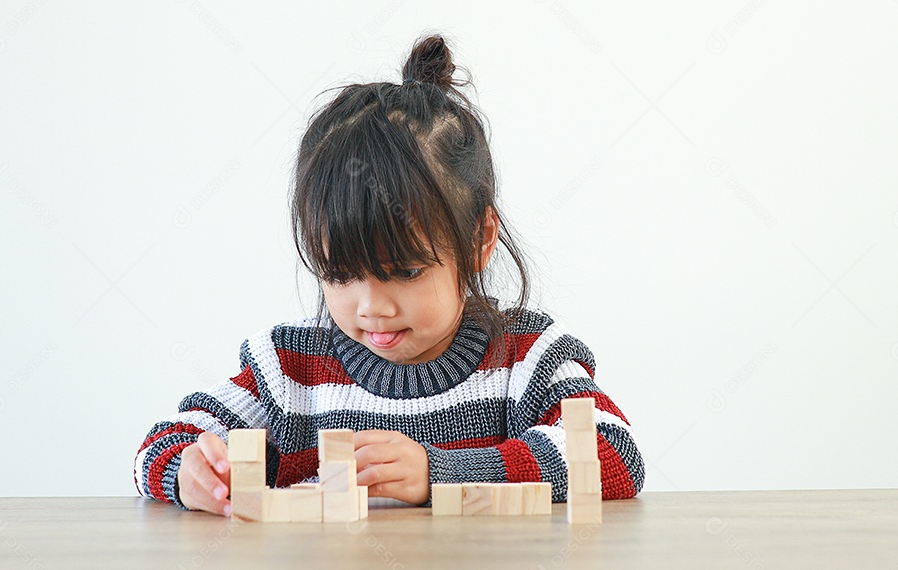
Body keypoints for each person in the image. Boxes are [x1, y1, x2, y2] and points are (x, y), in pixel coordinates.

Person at [134, 33, 645, 516]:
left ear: (479, 240)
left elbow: (616, 453)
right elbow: (161, 444)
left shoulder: (525, 357)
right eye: (338, 273)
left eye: (403, 270)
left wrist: (440, 474)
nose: (371, 305)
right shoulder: (289, 371)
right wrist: (189, 472)